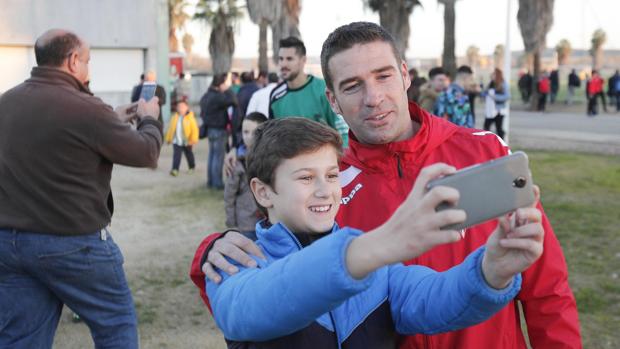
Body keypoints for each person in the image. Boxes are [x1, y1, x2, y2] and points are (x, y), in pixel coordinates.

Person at [192, 21, 581, 349]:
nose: (374, 98)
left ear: (405, 76)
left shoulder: (485, 151)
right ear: (333, 100)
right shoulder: (333, 187)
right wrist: (211, 248)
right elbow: (273, 270)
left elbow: (544, 283)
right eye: (353, 86)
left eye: (383, 76)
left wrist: (490, 272)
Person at [206, 117, 543, 348]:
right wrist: (384, 242)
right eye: (306, 178)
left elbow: (437, 297)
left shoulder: (374, 267)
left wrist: (493, 271)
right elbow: (261, 304)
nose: (326, 190)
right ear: (263, 192)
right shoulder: (233, 261)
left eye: (333, 175)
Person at [0, 29, 162, 348]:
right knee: (115, 327)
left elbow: (52, 133)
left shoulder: (6, 102)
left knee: (21, 338)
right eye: (88, 61)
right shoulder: (86, 108)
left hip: (10, 244)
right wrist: (149, 119)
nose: (89, 68)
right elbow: (146, 153)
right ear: (73, 60)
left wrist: (114, 118)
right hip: (73, 243)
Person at [269, 36, 349, 145]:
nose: (283, 64)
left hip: (326, 160)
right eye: (281, 59)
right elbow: (273, 138)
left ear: (303, 60)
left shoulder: (324, 89)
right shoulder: (276, 97)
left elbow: (343, 132)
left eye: (289, 59)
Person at [224, 112, 267, 234]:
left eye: (254, 132)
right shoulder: (236, 163)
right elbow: (229, 196)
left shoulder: (270, 159)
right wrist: (231, 224)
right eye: (245, 132)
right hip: (246, 224)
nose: (248, 137)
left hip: (267, 223)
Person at [200, 73, 237, 189]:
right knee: (218, 157)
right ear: (220, 84)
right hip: (219, 129)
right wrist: (228, 90)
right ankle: (217, 183)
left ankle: (210, 181)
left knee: (212, 156)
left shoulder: (206, 96)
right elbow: (234, 100)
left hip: (210, 129)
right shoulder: (217, 97)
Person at [165, 98, 199, 176]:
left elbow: (194, 130)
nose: (181, 108)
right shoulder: (175, 117)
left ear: (187, 107)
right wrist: (168, 139)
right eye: (179, 107)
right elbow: (171, 129)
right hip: (177, 141)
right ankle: (175, 169)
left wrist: (193, 140)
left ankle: (192, 167)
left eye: (183, 106)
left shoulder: (190, 118)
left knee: (189, 154)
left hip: (187, 141)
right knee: (176, 155)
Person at [483, 68, 510, 140]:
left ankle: (501, 143)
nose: (492, 76)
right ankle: (487, 142)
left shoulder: (503, 84)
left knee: (499, 129)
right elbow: (485, 94)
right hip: (490, 110)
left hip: (498, 111)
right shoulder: (491, 83)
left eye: (494, 74)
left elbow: (507, 96)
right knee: (486, 128)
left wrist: (494, 97)